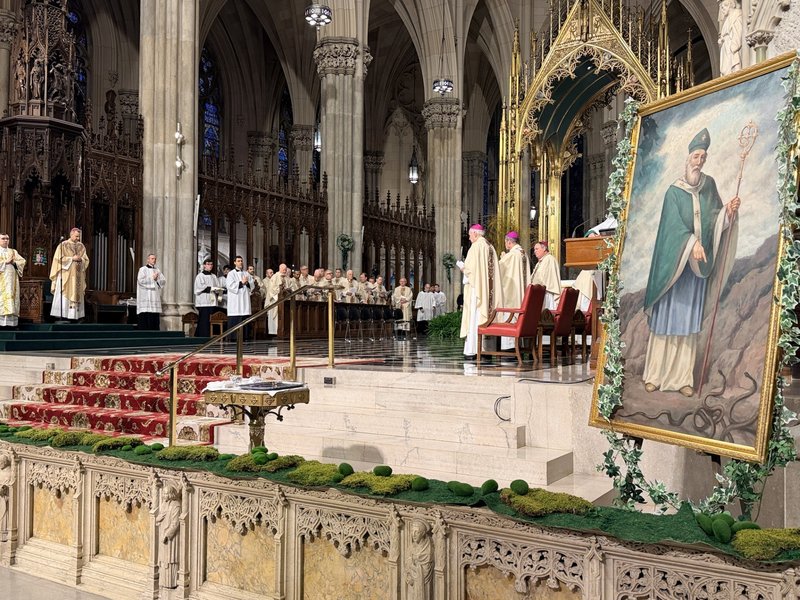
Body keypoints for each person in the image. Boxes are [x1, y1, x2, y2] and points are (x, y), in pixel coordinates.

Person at [643, 128, 739, 398]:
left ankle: (683, 379)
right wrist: (690, 243)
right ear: (687, 158)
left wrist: (727, 214)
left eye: (704, 157)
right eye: (696, 156)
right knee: (667, 323)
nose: (700, 161)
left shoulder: (709, 186)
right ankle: (655, 376)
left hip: (695, 271)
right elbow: (670, 229)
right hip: (674, 270)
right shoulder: (673, 192)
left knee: (686, 324)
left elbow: (714, 219)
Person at [458, 224, 503, 359]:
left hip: (476, 291)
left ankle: (472, 350)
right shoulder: (490, 247)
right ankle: (486, 349)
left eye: (470, 235)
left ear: (476, 234)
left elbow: (470, 272)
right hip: (488, 291)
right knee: (483, 316)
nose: (470, 238)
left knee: (474, 317)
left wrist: (462, 268)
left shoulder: (476, 246)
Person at [498, 231, 532, 350]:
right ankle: (519, 346)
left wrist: (502, 258)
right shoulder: (523, 254)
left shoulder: (512, 255)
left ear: (509, 242)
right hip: (522, 294)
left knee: (509, 315)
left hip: (512, 294)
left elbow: (498, 271)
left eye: (505, 242)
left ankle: (509, 347)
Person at [50, 227, 89, 320]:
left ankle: (76, 316)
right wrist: (72, 259)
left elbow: (86, 259)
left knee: (77, 294)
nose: (78, 239)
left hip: (78, 276)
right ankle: (63, 315)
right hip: (67, 276)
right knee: (65, 293)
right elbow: (58, 259)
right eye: (76, 236)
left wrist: (81, 259)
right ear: (71, 234)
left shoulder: (81, 246)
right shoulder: (63, 245)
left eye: (79, 237)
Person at [0, 234, 26, 328]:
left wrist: (14, 262)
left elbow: (22, 261)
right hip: (1, 281)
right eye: (3, 238)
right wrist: (5, 262)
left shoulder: (13, 252)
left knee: (12, 299)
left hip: (12, 281)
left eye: (7, 238)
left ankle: (11, 323)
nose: (6, 240)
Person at [136, 253, 166, 330]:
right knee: (146, 314)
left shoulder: (157, 270)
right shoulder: (142, 269)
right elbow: (140, 281)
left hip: (154, 295)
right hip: (145, 294)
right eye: (152, 258)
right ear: (148, 260)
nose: (154, 260)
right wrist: (152, 278)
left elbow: (163, 281)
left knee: (154, 314)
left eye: (155, 259)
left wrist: (157, 280)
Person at [226, 255, 253, 339]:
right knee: (235, 318)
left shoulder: (246, 273)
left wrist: (247, 283)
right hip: (235, 301)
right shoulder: (231, 274)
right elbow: (229, 286)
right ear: (234, 262)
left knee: (245, 317)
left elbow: (252, 285)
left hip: (245, 300)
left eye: (241, 261)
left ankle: (245, 336)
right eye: (238, 261)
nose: (240, 262)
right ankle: (233, 337)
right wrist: (241, 283)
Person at [194, 258, 221, 337]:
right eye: (208, 264)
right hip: (203, 302)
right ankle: (202, 335)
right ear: (204, 265)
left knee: (211, 319)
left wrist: (218, 290)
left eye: (211, 264)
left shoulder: (214, 276)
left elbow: (217, 286)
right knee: (204, 320)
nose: (210, 266)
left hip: (212, 301)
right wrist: (210, 288)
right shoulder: (200, 276)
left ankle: (211, 334)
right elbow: (198, 288)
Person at [530, 241, 561, 311]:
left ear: (544, 249)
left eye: (537, 249)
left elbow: (543, 279)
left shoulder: (549, 259)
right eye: (534, 249)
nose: (535, 252)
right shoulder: (541, 261)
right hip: (541, 293)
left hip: (547, 294)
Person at [718, 0, 742, 76]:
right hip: (726, 49)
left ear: (730, 5)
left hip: (731, 49)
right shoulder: (727, 20)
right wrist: (721, 40)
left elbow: (738, 31)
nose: (722, 10)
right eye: (721, 8)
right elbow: (724, 35)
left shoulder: (737, 14)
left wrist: (733, 47)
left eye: (723, 7)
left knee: (733, 70)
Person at [266, 263, 290, 335]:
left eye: (285, 270)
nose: (285, 271)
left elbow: (289, 287)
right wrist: (280, 290)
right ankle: (274, 332)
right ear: (280, 269)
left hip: (284, 300)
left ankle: (283, 331)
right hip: (275, 301)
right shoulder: (275, 277)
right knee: (275, 317)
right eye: (283, 269)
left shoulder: (286, 278)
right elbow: (272, 289)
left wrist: (287, 290)